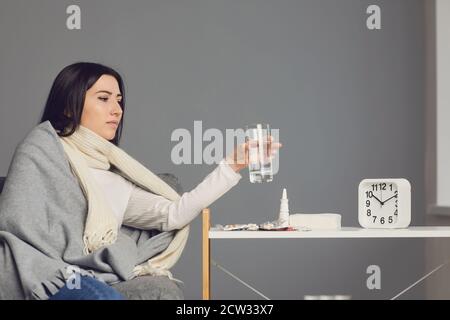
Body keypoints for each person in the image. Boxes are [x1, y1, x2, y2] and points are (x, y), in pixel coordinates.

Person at [32, 62, 282, 300]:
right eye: (103, 98)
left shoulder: (115, 181)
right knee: (101, 295)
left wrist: (232, 165)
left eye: (119, 100)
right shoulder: (41, 150)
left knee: (102, 294)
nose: (117, 110)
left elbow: (174, 214)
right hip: (43, 273)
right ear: (68, 106)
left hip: (83, 276)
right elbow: (21, 226)